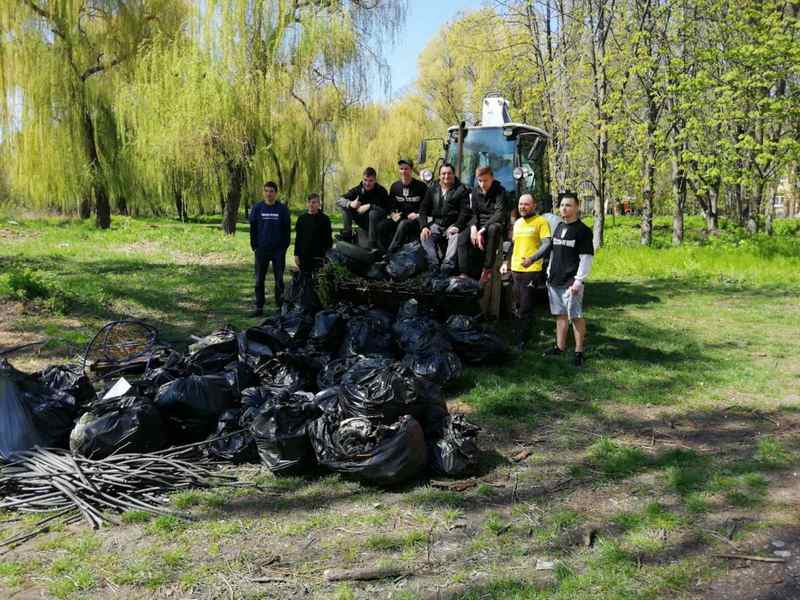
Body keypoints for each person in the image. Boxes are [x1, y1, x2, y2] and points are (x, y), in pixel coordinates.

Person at [542, 191, 594, 367]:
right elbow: (554, 253)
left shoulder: (583, 231)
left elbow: (586, 258)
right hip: (555, 279)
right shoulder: (558, 227)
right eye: (562, 205)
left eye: (569, 205)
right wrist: (549, 272)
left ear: (577, 207)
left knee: (576, 316)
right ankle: (560, 347)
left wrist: (578, 281)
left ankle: (579, 352)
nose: (564, 208)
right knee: (560, 315)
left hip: (571, 282)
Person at [500, 194, 552, 349]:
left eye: (526, 204)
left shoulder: (541, 222)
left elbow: (547, 244)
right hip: (515, 269)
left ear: (534, 205)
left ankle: (522, 340)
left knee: (526, 305)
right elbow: (513, 245)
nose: (522, 207)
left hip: (532, 269)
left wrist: (532, 258)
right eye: (520, 204)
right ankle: (517, 334)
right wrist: (505, 262)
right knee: (516, 305)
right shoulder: (517, 223)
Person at [458, 165, 507, 283]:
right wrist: (474, 228)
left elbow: (499, 214)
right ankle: (464, 273)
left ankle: (487, 268)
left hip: (494, 223)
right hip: (479, 224)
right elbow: (474, 213)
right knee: (462, 237)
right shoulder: (475, 191)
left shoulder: (500, 191)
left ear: (492, 178)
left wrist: (483, 229)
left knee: (493, 229)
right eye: (480, 181)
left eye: (485, 180)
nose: (482, 184)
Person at [418, 162, 469, 274]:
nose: (446, 176)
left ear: (454, 175)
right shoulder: (433, 188)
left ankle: (447, 266)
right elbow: (423, 209)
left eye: (449, 173)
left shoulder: (461, 190)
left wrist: (457, 226)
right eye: (443, 174)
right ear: (439, 175)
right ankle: (433, 265)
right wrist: (424, 226)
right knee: (425, 236)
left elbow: (464, 212)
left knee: (455, 236)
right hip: (437, 224)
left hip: (452, 224)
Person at [249, 181, 291, 316]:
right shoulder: (257, 208)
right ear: (263, 192)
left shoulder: (282, 209)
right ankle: (259, 307)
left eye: (271, 191)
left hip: (278, 251)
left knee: (279, 280)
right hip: (262, 250)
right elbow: (253, 228)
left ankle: (279, 307)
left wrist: (284, 247)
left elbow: (286, 229)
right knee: (259, 280)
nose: (269, 194)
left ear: (276, 193)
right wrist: (255, 246)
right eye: (266, 191)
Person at [335, 167, 390, 250]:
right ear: (362, 179)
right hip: (361, 219)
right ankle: (347, 236)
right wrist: (350, 204)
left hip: (376, 222)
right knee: (346, 208)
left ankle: (372, 245)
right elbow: (338, 200)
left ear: (375, 180)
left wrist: (370, 206)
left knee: (373, 213)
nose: (367, 183)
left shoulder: (382, 191)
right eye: (365, 180)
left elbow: (387, 211)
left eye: (370, 181)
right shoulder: (356, 190)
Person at [384, 159, 429, 254]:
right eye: (401, 169)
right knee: (381, 226)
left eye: (406, 169)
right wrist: (392, 214)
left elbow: (427, 206)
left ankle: (390, 253)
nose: (403, 171)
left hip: (416, 220)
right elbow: (390, 205)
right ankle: (380, 252)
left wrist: (417, 215)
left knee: (404, 224)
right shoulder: (395, 187)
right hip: (400, 217)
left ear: (411, 170)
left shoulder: (421, 187)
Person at [294, 193, 332, 273]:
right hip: (304, 256)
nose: (311, 204)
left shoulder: (325, 219)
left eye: (314, 202)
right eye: (310, 202)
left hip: (319, 256)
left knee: (318, 282)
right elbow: (298, 238)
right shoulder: (301, 219)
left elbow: (328, 239)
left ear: (318, 204)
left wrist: (327, 257)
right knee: (304, 281)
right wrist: (296, 255)